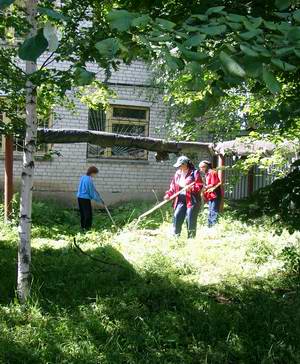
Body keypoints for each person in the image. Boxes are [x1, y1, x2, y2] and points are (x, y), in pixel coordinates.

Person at [164, 156, 203, 238]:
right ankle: (176, 236)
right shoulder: (177, 173)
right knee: (177, 216)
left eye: (181, 165)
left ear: (186, 164)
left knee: (190, 218)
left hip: (192, 200)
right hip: (180, 199)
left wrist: (191, 188)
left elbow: (199, 185)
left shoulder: (194, 173)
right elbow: (173, 186)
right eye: (179, 165)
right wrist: (169, 194)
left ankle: (191, 238)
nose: (179, 167)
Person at [77, 166, 104, 230]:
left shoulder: (83, 177)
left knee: (83, 214)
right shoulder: (89, 180)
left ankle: (82, 227)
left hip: (79, 198)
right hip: (85, 199)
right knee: (88, 215)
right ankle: (87, 229)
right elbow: (91, 193)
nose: (95, 175)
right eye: (95, 173)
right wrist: (99, 200)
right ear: (92, 173)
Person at [199, 160, 222, 228]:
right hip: (210, 195)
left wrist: (204, 187)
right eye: (200, 167)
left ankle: (214, 227)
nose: (200, 169)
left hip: (215, 195)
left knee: (214, 211)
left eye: (201, 167)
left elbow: (214, 183)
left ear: (206, 167)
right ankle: (209, 226)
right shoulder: (207, 174)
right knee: (210, 210)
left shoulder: (212, 172)